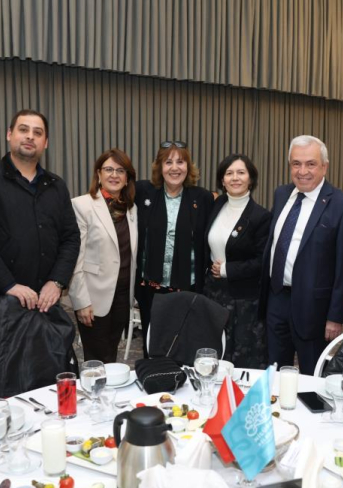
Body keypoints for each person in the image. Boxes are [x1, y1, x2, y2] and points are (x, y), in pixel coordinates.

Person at [260, 135, 343, 375]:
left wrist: (336, 317)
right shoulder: (281, 194)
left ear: (324, 167)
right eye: (296, 164)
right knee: (275, 372)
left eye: (311, 164)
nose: (302, 171)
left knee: (312, 377)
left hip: (315, 309)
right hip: (276, 299)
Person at [0, 110, 80, 316]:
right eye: (24, 130)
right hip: (2, 300)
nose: (30, 136)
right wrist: (9, 285)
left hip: (47, 300)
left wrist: (57, 282)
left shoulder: (57, 185)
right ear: (9, 134)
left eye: (38, 133)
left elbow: (70, 238)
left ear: (45, 142)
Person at [135, 141, 214, 357]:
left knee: (184, 344)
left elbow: (211, 235)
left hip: (188, 286)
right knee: (152, 344)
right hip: (150, 288)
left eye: (181, 162)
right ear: (160, 167)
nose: (175, 168)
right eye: (168, 162)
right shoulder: (143, 192)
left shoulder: (202, 198)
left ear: (188, 166)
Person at [68, 149, 137, 363]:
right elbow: (75, 258)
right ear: (99, 174)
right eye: (108, 169)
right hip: (94, 297)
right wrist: (81, 301)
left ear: (127, 178)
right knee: (96, 358)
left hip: (122, 295)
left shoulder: (131, 209)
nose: (114, 175)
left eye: (120, 170)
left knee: (111, 354)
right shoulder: (82, 205)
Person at [204, 154, 272, 369]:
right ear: (222, 180)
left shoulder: (260, 216)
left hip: (244, 301)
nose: (235, 178)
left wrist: (227, 269)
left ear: (250, 179)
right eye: (229, 173)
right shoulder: (216, 205)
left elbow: (262, 261)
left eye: (241, 172)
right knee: (213, 353)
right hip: (213, 293)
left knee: (241, 358)